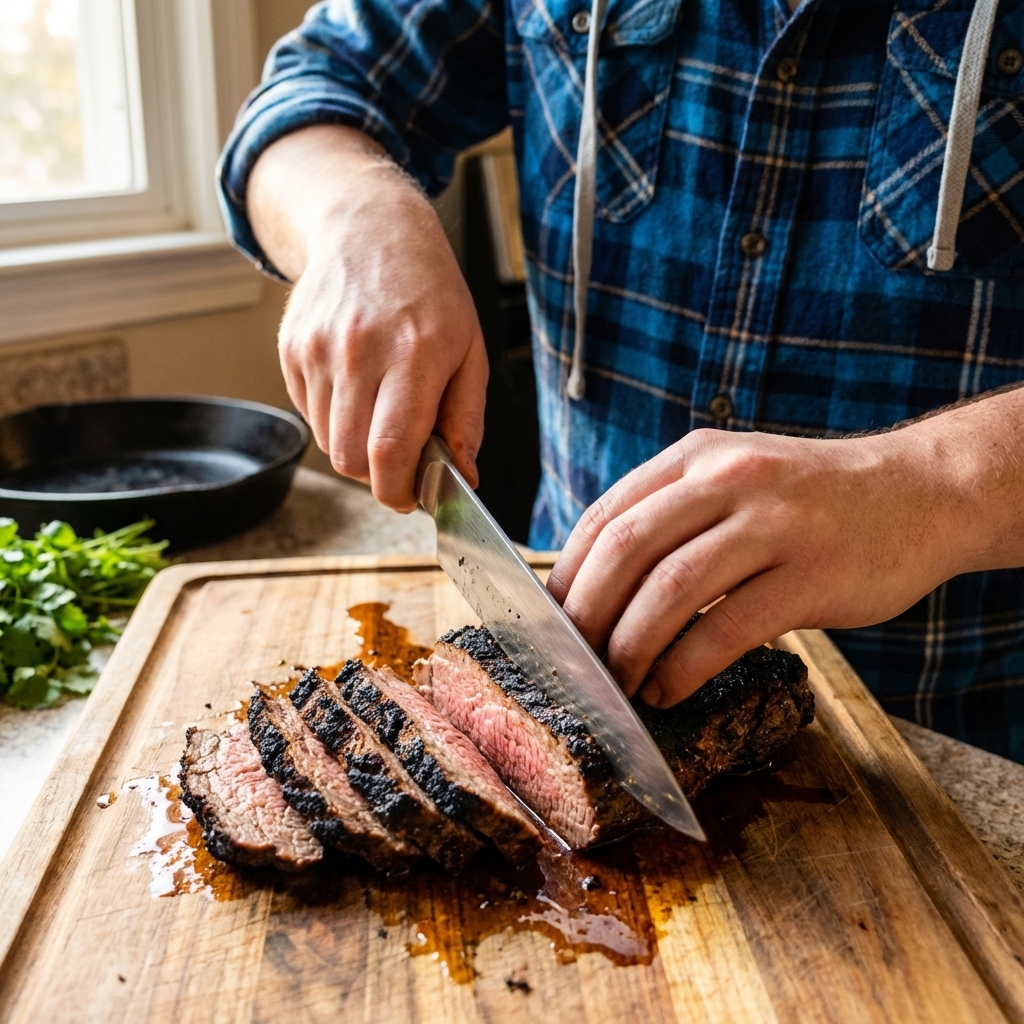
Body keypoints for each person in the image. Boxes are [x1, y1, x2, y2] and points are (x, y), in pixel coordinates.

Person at [217, 0, 1024, 761]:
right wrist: (355, 213)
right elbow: (312, 89)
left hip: (965, 728)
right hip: (569, 657)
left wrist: (934, 484)